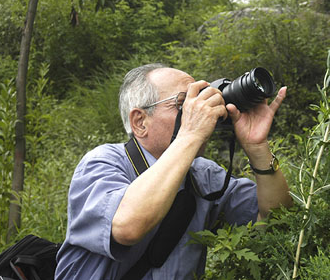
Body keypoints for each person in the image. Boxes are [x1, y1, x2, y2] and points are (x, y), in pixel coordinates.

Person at [55, 63, 293, 279]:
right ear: (140, 122)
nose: (197, 111)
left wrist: (257, 147)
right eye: (183, 103)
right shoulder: (103, 162)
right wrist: (190, 134)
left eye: (197, 100)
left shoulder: (203, 175)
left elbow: (277, 224)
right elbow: (127, 227)